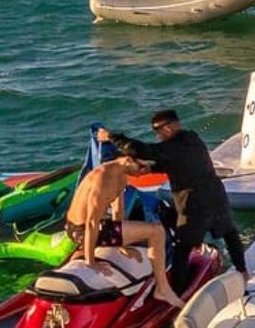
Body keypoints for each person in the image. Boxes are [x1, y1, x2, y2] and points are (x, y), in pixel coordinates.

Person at [100, 109, 247, 277]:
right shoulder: (192, 138)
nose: (158, 135)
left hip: (194, 205)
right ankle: (243, 271)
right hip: (216, 196)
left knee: (182, 248)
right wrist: (152, 169)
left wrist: (110, 137)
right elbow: (180, 162)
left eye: (158, 130)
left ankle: (177, 294)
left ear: (169, 127)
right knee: (230, 234)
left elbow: (140, 150)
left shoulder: (171, 146)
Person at [66, 154, 184, 307]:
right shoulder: (103, 178)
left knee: (141, 228)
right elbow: (91, 224)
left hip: (88, 226)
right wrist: (91, 262)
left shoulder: (120, 175)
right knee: (157, 231)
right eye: (141, 167)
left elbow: (118, 211)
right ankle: (162, 289)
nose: (143, 172)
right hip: (81, 230)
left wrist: (121, 244)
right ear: (127, 161)